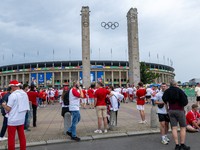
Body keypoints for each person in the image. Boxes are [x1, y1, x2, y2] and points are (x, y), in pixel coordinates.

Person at [2, 80, 30, 150]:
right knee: (22, 136)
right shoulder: (24, 94)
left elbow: (8, 109)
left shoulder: (13, 95)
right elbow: (26, 108)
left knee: (11, 138)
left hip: (13, 120)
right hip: (21, 119)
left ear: (12, 86)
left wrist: (4, 105)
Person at [163, 79, 190, 150]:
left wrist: (167, 111)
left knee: (174, 128)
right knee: (183, 127)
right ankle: (182, 144)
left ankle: (177, 145)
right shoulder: (179, 90)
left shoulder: (167, 91)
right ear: (175, 84)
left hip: (171, 110)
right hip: (179, 110)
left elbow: (165, 101)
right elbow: (185, 101)